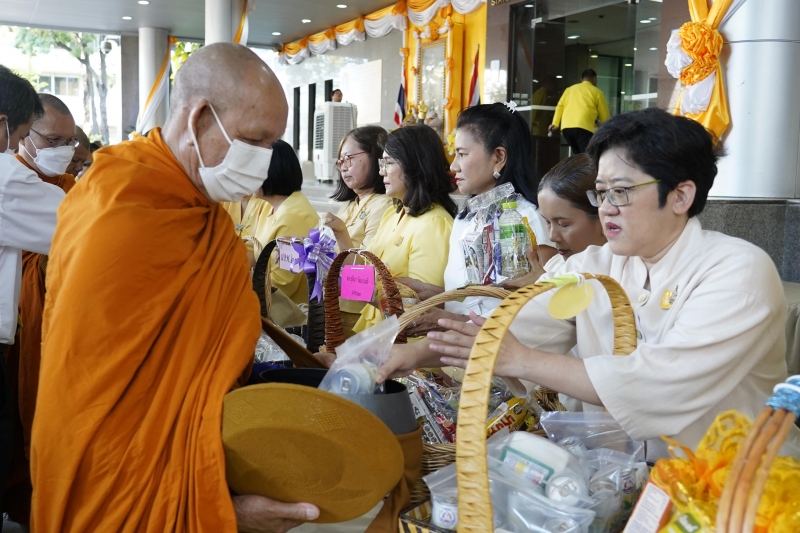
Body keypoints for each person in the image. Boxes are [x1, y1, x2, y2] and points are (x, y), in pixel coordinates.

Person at [377, 108, 797, 460]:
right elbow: (518, 324)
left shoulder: (737, 271)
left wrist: (519, 360)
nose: (608, 209)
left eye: (622, 192)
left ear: (681, 196)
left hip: (730, 489)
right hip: (620, 474)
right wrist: (415, 353)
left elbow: (653, 387)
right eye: (601, 194)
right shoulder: (597, 264)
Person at [29, 43, 319, 533]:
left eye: (273, 146)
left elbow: (210, 351)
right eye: (256, 140)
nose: (266, 162)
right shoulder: (118, 205)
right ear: (199, 117)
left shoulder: (205, 212)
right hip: (115, 480)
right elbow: (103, 400)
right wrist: (217, 504)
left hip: (189, 456)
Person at [398, 103, 557, 336]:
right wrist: (432, 293)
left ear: (499, 157)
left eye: (462, 154)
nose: (453, 166)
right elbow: (479, 296)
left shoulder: (526, 218)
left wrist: (457, 320)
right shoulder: (467, 216)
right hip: (457, 359)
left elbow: (537, 316)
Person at [3, 93, 78, 527]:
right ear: (23, 137)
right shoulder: (14, 180)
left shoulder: (68, 186)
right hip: (25, 326)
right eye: (52, 140)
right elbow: (83, 232)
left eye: (69, 141)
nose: (63, 152)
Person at [335, 124, 456, 334]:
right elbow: (367, 273)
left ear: (414, 166)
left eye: (389, 163)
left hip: (403, 343)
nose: (381, 171)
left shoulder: (434, 224)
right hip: (373, 331)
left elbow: (419, 309)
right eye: (382, 162)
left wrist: (350, 284)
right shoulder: (394, 212)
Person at [322, 126, 394, 336]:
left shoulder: (382, 205)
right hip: (336, 306)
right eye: (340, 161)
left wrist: (341, 233)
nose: (343, 167)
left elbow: (367, 272)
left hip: (357, 314)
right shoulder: (350, 204)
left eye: (349, 158)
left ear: (376, 157)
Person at [250, 139, 320, 306]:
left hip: (289, 318)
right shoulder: (269, 206)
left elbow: (283, 284)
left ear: (273, 171)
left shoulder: (293, 216)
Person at [549, 69, 610, 154]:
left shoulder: (569, 90)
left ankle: (577, 167)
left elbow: (560, 106)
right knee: (586, 157)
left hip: (567, 129)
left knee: (578, 156)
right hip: (583, 128)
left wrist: (555, 123)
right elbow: (604, 114)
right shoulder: (598, 92)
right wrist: (607, 127)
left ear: (581, 80)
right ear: (594, 80)